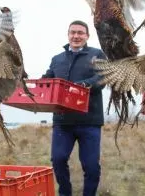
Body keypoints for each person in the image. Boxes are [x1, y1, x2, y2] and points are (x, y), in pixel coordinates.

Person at [42, 20, 106, 196]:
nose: (76, 36)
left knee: (91, 165)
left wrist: (82, 86)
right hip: (63, 121)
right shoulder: (57, 59)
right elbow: (48, 81)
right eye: (73, 32)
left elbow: (102, 78)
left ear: (87, 36)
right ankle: (65, 192)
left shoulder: (97, 54)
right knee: (58, 159)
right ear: (68, 35)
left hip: (89, 121)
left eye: (80, 33)